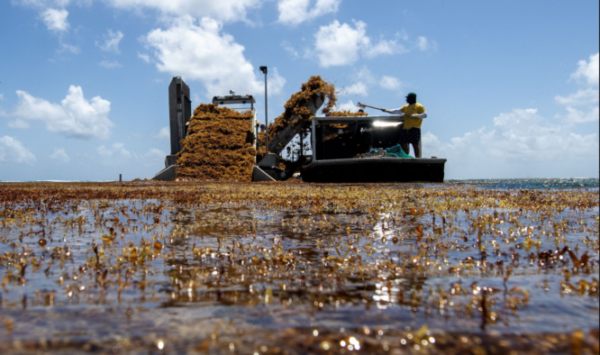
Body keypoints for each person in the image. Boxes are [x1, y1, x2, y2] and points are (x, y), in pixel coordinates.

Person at [381, 92, 427, 158]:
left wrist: (416, 115)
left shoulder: (419, 106)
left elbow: (425, 115)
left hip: (414, 127)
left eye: (407, 98)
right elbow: (397, 111)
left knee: (415, 143)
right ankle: (406, 155)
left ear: (412, 99)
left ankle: (417, 157)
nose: (406, 99)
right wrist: (387, 110)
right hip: (405, 128)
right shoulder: (406, 107)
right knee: (403, 142)